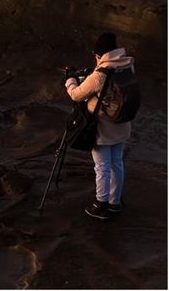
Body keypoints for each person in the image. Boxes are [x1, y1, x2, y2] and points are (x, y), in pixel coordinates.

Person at [64, 32, 134, 220]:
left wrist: (70, 80)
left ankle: (100, 203)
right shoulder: (128, 65)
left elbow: (77, 95)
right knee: (117, 163)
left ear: (99, 54)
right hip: (123, 124)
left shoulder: (100, 75)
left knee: (102, 166)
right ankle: (114, 203)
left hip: (103, 129)